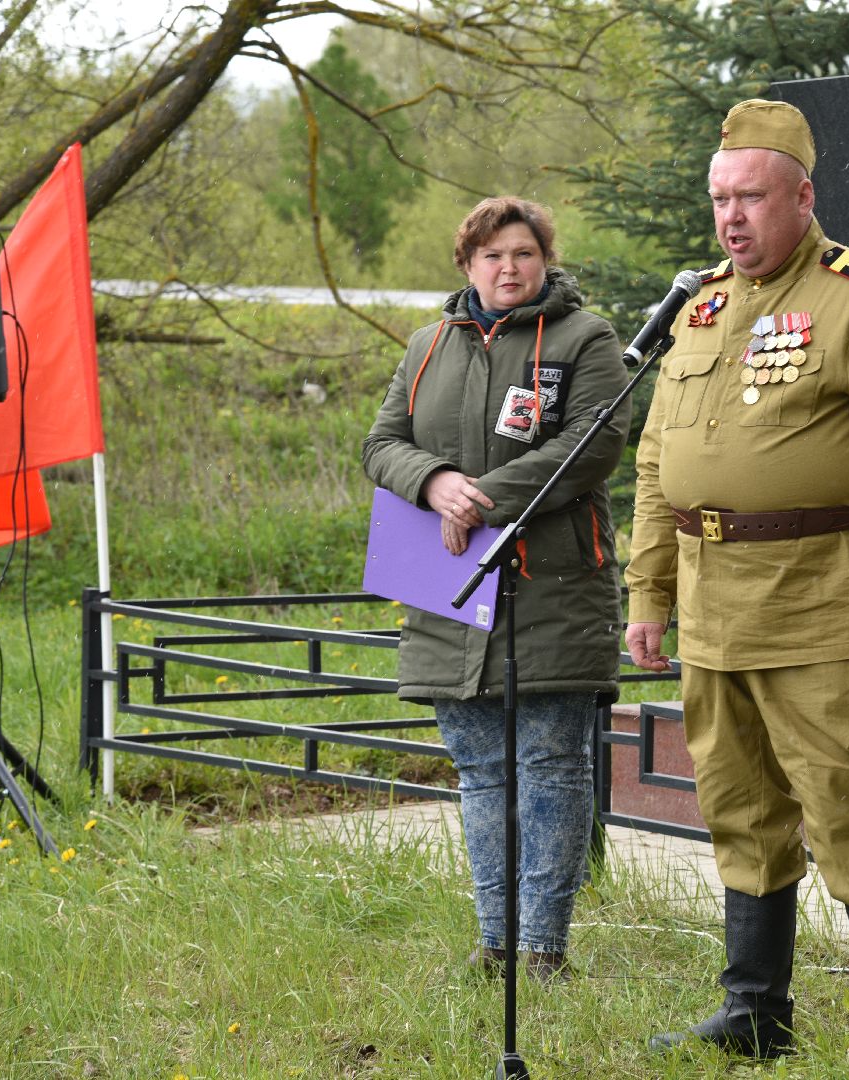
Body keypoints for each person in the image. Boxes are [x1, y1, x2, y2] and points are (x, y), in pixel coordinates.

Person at [625, 100, 849, 1079]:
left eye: (752, 197)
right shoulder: (698, 308)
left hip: (822, 604)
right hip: (712, 603)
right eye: (719, 199)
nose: (732, 218)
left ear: (802, 197)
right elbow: (656, 463)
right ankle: (754, 1013)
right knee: (740, 812)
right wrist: (648, 594)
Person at [363, 196, 628, 981]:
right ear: (467, 265)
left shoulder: (586, 338)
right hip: (446, 587)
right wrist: (436, 481)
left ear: (545, 258)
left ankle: (542, 948)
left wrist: (482, 500)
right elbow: (381, 445)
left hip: (553, 590)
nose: (508, 267)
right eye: (491, 255)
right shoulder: (426, 345)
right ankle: (495, 944)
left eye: (522, 252)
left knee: (550, 761)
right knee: (479, 768)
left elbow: (594, 443)